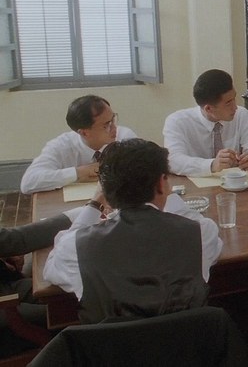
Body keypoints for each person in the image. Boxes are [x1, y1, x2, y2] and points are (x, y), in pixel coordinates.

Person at [42, 139, 222, 324]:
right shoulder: (200, 233)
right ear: (162, 184)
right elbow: (192, 222)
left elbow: (51, 268)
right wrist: (167, 194)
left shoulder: (76, 247)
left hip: (111, 342)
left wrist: (95, 203)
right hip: (187, 339)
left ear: (105, 191)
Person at [20, 95, 137, 194]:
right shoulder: (61, 146)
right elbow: (28, 182)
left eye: (113, 119)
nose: (114, 127)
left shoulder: (124, 137)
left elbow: (143, 170)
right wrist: (78, 173)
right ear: (84, 133)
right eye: (106, 125)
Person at [163, 69, 248, 176]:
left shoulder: (241, 114)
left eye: (234, 98)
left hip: (236, 182)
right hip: (195, 184)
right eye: (228, 103)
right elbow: (172, 160)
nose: (235, 107)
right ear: (208, 109)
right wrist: (212, 165)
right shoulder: (177, 122)